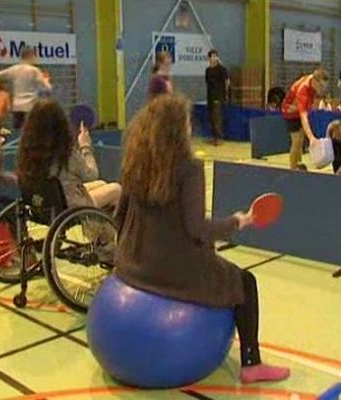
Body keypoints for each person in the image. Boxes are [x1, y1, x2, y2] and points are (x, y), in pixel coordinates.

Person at [115, 94, 291, 384]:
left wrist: (125, 258)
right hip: (171, 271)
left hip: (129, 265)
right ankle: (251, 364)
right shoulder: (189, 167)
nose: (190, 128)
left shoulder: (135, 161)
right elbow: (196, 228)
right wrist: (238, 221)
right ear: (176, 129)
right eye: (186, 123)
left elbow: (119, 217)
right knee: (245, 281)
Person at [17, 99, 121, 210]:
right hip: (71, 208)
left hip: (47, 205)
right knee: (116, 189)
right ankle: (103, 226)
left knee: (100, 184)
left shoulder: (27, 154)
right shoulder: (66, 153)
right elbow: (91, 175)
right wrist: (85, 146)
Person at [281, 68, 330, 170]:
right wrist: (311, 137)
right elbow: (304, 118)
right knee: (297, 140)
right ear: (315, 82)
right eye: (321, 86)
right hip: (290, 112)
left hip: (299, 109)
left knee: (301, 139)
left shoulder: (314, 79)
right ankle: (293, 169)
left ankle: (298, 163)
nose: (322, 89)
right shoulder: (303, 90)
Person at [0, 47, 51, 130]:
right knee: (32, 131)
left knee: (18, 131)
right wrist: (46, 80)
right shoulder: (34, 71)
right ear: (31, 56)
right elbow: (47, 87)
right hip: (31, 106)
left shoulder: (14, 69)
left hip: (17, 107)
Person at [205, 49, 230, 146]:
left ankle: (219, 138)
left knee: (217, 117)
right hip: (210, 96)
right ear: (208, 58)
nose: (214, 58)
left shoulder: (221, 69)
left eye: (216, 56)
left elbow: (227, 81)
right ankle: (214, 137)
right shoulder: (207, 70)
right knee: (211, 117)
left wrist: (225, 94)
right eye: (212, 56)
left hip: (218, 96)